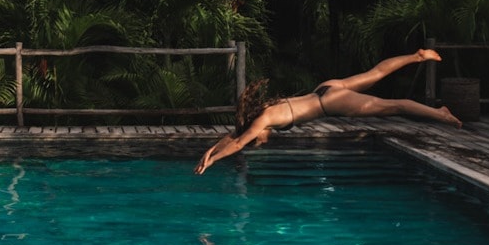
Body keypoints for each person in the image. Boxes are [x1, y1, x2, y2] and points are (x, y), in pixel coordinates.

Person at [195, 49, 461, 174]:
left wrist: (214, 161)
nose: (260, 142)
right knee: (375, 74)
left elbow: (240, 141)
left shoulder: (263, 121)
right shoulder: (264, 111)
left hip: (330, 103)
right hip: (324, 88)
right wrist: (210, 151)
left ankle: (441, 114)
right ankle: (417, 57)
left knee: (395, 106)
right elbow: (236, 135)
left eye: (258, 141)